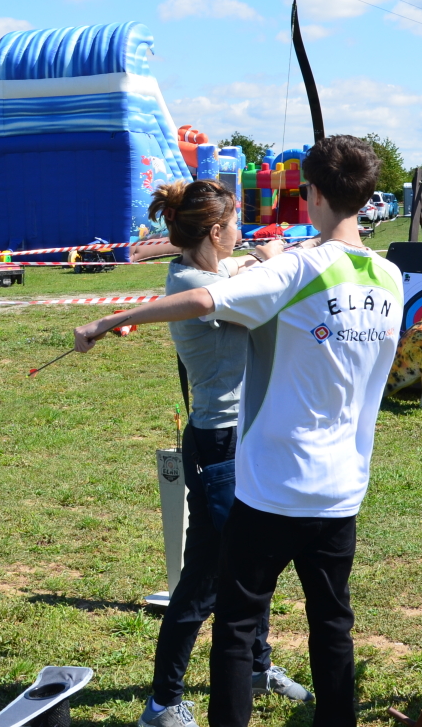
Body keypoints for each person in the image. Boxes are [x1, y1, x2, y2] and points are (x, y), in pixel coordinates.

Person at [73, 137, 398, 727]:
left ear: (312, 194)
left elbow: (216, 293)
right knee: (327, 622)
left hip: (273, 483)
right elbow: (209, 292)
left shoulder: (294, 270)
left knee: (236, 620)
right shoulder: (390, 277)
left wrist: (109, 320)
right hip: (336, 487)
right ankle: (174, 697)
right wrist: (278, 261)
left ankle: (231, 680)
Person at [128, 180, 306, 727]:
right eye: (233, 226)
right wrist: (277, 258)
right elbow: (254, 291)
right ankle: (163, 702)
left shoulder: (205, 270)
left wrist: (265, 255)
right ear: (213, 231)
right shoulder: (194, 286)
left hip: (237, 437)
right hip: (220, 443)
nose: (240, 233)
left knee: (257, 559)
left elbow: (236, 271)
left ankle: (256, 666)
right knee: (208, 579)